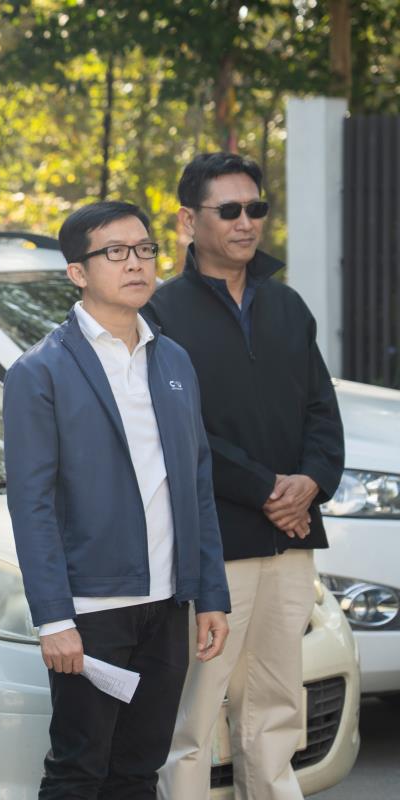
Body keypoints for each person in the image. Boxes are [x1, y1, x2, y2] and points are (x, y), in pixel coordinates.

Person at [3, 201, 231, 799]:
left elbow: (197, 484)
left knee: (139, 769)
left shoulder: (173, 359)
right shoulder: (40, 371)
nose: (136, 263)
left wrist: (210, 593)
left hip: (167, 601)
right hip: (92, 607)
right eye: (115, 252)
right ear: (77, 272)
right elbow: (31, 505)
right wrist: (55, 619)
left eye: (145, 249)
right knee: (79, 770)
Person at [149, 153, 344, 800]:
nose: (246, 222)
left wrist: (310, 483)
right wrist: (266, 489)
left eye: (255, 208)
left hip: (291, 539)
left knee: (277, 705)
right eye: (228, 210)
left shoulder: (287, 306)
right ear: (188, 221)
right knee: (195, 712)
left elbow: (322, 411)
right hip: (213, 545)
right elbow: (180, 431)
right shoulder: (161, 313)